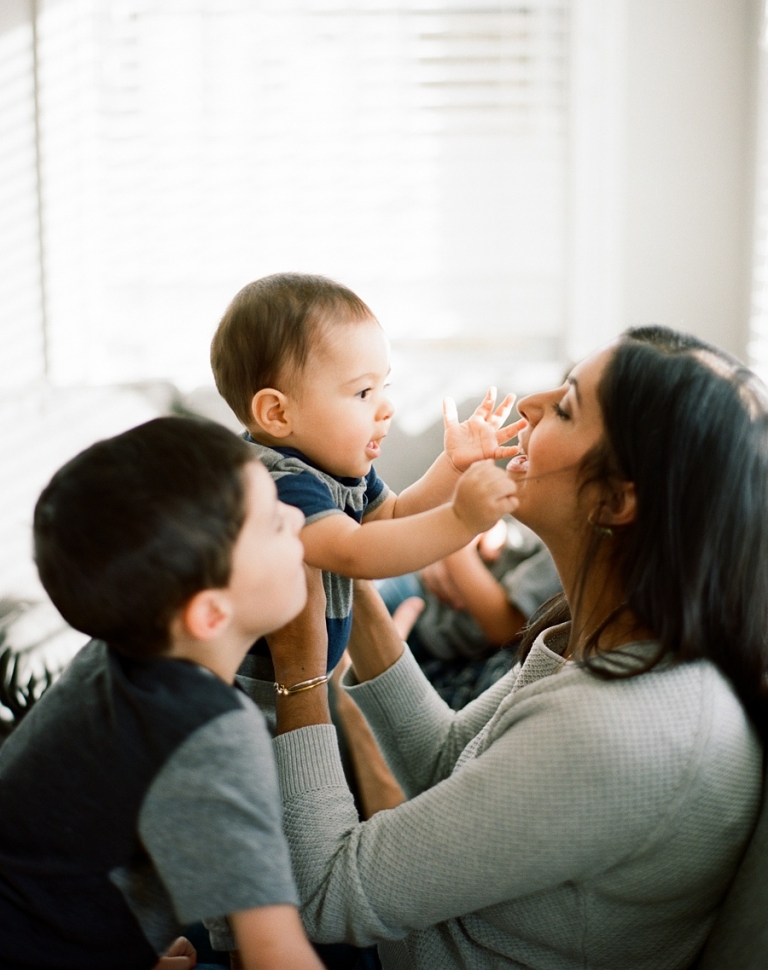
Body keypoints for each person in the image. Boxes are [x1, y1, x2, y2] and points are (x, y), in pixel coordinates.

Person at [265, 326, 768, 970]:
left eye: (564, 407)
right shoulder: (608, 643)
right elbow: (448, 761)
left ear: (617, 499)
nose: (529, 402)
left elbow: (325, 895)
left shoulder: (614, 728)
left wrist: (300, 674)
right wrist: (341, 567)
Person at [0, 417, 325, 970]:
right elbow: (277, 954)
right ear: (210, 613)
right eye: (273, 521)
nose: (298, 517)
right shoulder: (211, 732)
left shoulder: (109, 656)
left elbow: (51, 848)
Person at [210, 273, 521, 717]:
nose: (386, 407)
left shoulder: (333, 471)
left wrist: (452, 466)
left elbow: (392, 517)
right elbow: (356, 553)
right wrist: (461, 521)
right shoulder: (277, 481)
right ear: (277, 413)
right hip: (239, 698)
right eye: (362, 392)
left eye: (384, 387)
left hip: (283, 694)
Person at [377, 517, 562, 708]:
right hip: (423, 594)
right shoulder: (545, 528)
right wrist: (496, 530)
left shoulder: (565, 554)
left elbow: (503, 625)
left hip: (426, 625)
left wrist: (455, 544)